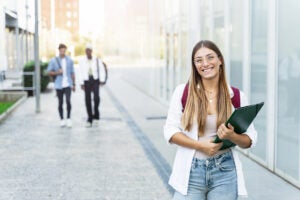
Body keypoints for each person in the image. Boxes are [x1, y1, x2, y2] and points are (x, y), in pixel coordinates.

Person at [164, 40, 257, 200]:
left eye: (210, 57)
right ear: (194, 66)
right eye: (199, 60)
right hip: (191, 170)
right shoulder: (183, 92)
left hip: (225, 171)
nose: (205, 64)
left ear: (220, 60)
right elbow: (170, 131)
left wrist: (232, 136)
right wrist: (200, 145)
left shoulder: (237, 96)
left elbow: (249, 140)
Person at [79, 44, 108, 127]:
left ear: (91, 51)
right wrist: (81, 83)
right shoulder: (82, 60)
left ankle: (96, 115)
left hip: (95, 80)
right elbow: (80, 72)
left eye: (89, 50)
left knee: (96, 98)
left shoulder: (97, 60)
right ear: (85, 51)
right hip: (86, 80)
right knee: (87, 100)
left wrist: (102, 80)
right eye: (86, 50)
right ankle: (89, 118)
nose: (88, 52)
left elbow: (102, 69)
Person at [47, 43, 75, 128]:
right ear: (59, 50)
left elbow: (72, 73)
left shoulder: (69, 60)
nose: (63, 52)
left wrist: (74, 84)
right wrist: (57, 72)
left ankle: (69, 118)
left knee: (68, 101)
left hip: (68, 84)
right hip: (59, 84)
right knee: (60, 102)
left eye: (64, 50)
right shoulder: (54, 60)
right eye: (61, 50)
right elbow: (48, 71)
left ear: (65, 50)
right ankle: (62, 119)